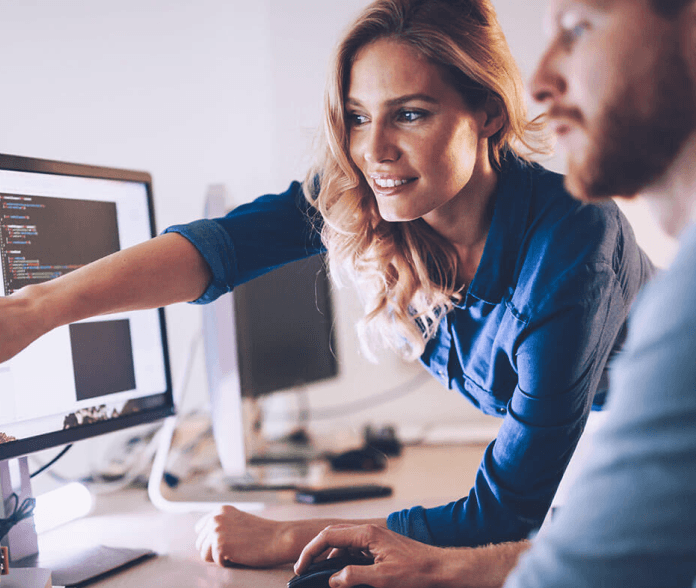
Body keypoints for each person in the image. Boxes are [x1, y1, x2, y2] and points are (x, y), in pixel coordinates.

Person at [0, 0, 652, 565]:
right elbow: (221, 249)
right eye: (354, 115)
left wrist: (288, 537)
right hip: (580, 476)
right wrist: (33, 311)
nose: (372, 149)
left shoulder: (572, 241)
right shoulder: (379, 194)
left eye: (409, 114)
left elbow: (503, 512)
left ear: (485, 113)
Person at [292, 0, 696, 586]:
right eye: (357, 117)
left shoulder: (638, 284)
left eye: (578, 28)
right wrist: (448, 566)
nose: (537, 82)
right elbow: (597, 553)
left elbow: (573, 559)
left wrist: (291, 537)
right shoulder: (397, 224)